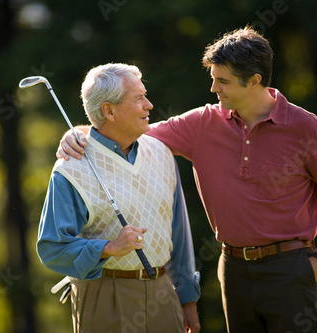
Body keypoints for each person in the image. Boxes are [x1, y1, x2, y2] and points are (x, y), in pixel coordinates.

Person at [58, 26, 317, 333]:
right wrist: (77, 133)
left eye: (223, 81)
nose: (214, 88)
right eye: (214, 78)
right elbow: (125, 132)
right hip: (233, 270)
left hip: (291, 269)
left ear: (254, 80)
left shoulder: (306, 128)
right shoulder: (201, 123)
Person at [37, 63, 201, 333]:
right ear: (109, 111)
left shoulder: (161, 152)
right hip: (104, 296)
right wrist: (108, 248)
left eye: (145, 95)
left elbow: (179, 234)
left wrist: (188, 300)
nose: (149, 105)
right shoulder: (70, 168)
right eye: (139, 99)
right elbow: (52, 248)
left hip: (164, 293)